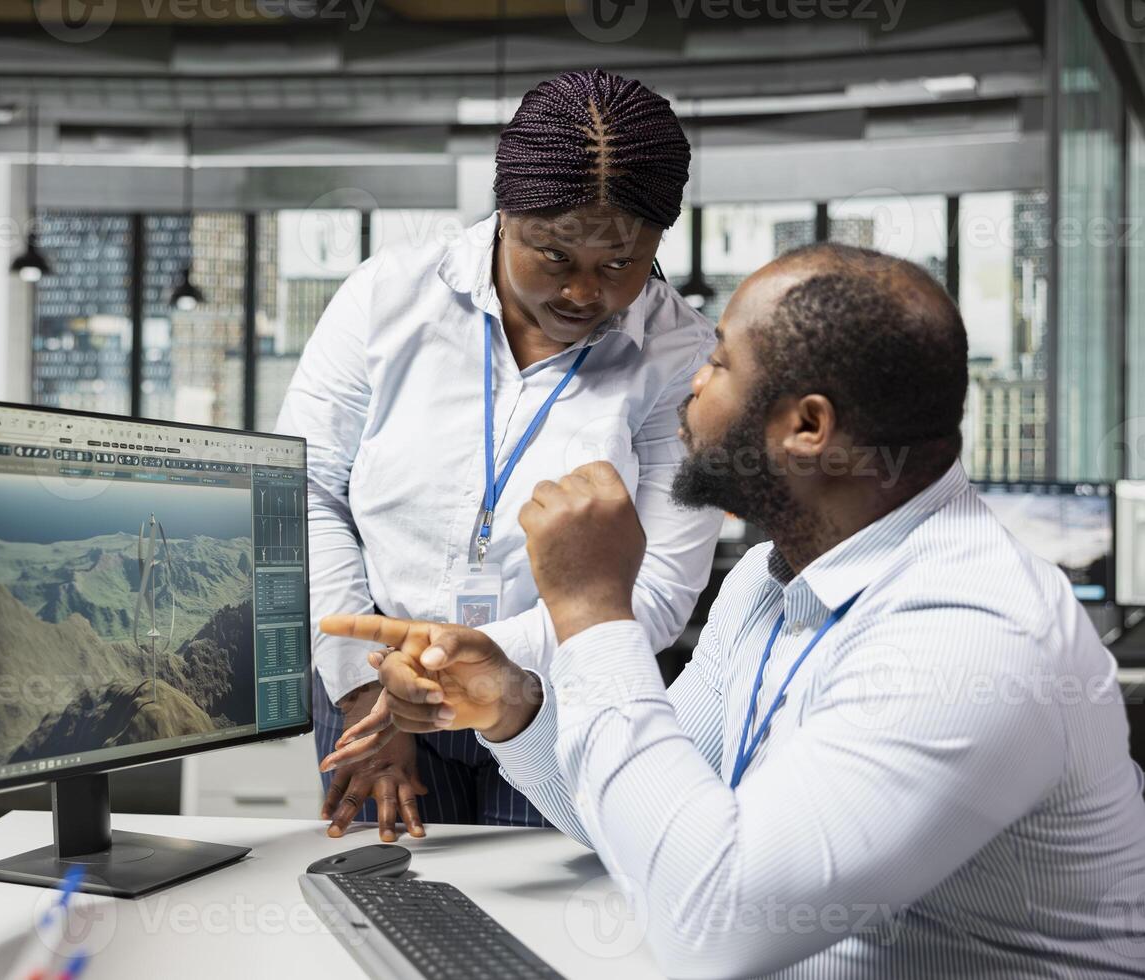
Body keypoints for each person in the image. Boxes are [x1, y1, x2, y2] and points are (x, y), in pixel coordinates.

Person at [321, 243, 1145, 975]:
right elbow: (652, 829)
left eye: (718, 363)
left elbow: (715, 925)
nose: (689, 383)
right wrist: (519, 707)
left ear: (809, 427)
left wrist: (591, 609)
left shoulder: (968, 637)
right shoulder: (771, 577)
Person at [276, 68, 724, 840]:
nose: (585, 293)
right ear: (505, 212)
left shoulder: (685, 359)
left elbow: (652, 595)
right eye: (553, 256)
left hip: (561, 695)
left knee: (550, 922)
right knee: (387, 907)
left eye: (619, 263)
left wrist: (452, 667)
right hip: (367, 685)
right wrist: (363, 687)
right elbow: (303, 491)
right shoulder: (385, 299)